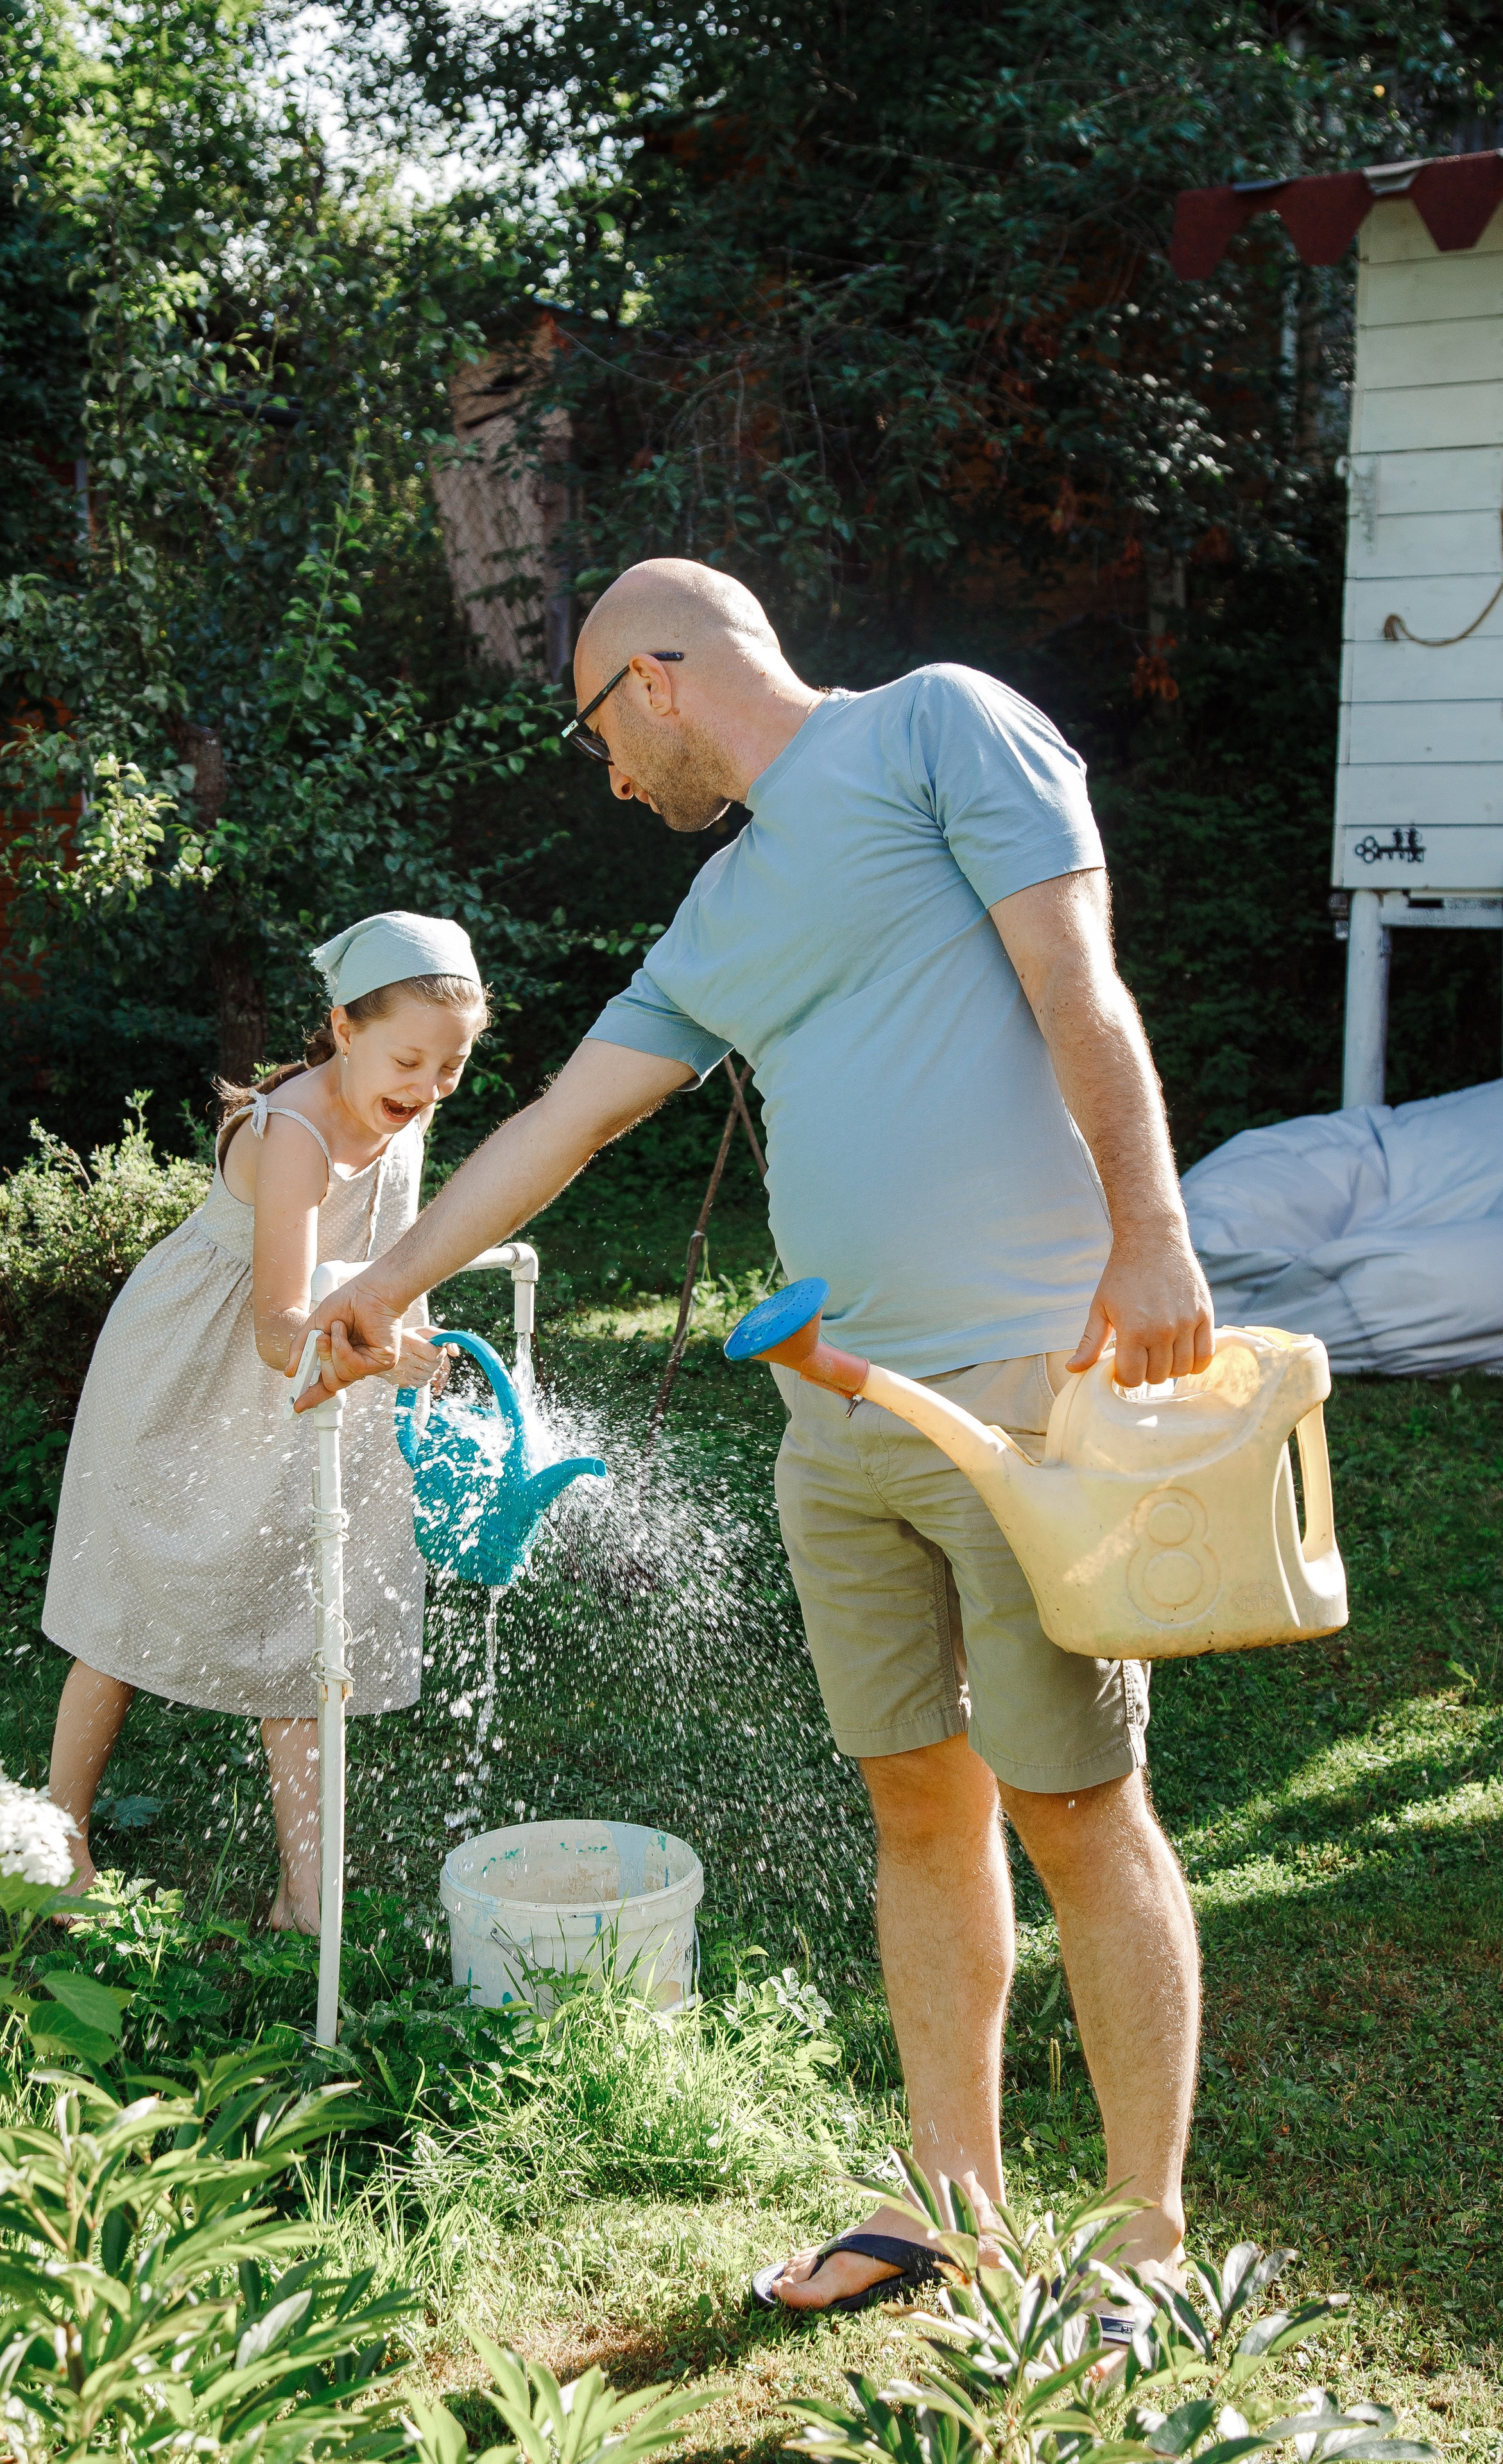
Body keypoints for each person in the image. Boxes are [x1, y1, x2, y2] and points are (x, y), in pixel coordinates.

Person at [284, 561, 1214, 2314]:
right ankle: (951, 2211)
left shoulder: (942, 726)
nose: (612, 784)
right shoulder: (719, 917)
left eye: (599, 736)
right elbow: (561, 1122)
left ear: (657, 678)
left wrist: (1153, 1235)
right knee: (918, 1808)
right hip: (833, 1424)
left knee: (1081, 1806)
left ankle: (1149, 2242)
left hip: (1017, 1391)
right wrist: (380, 1278)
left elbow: (1080, 985)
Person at [42, 912, 486, 1931]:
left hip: (324, 1376)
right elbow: (280, 1330)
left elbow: (393, 1247)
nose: (428, 1089)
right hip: (201, 1371)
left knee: (305, 1612)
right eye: (411, 1060)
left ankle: (306, 1893)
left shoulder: (406, 1109)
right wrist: (376, 1353)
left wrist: (412, 1336)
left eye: (452, 1067)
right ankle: (59, 1832)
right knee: (130, 1599)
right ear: (341, 1028)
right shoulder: (293, 1136)